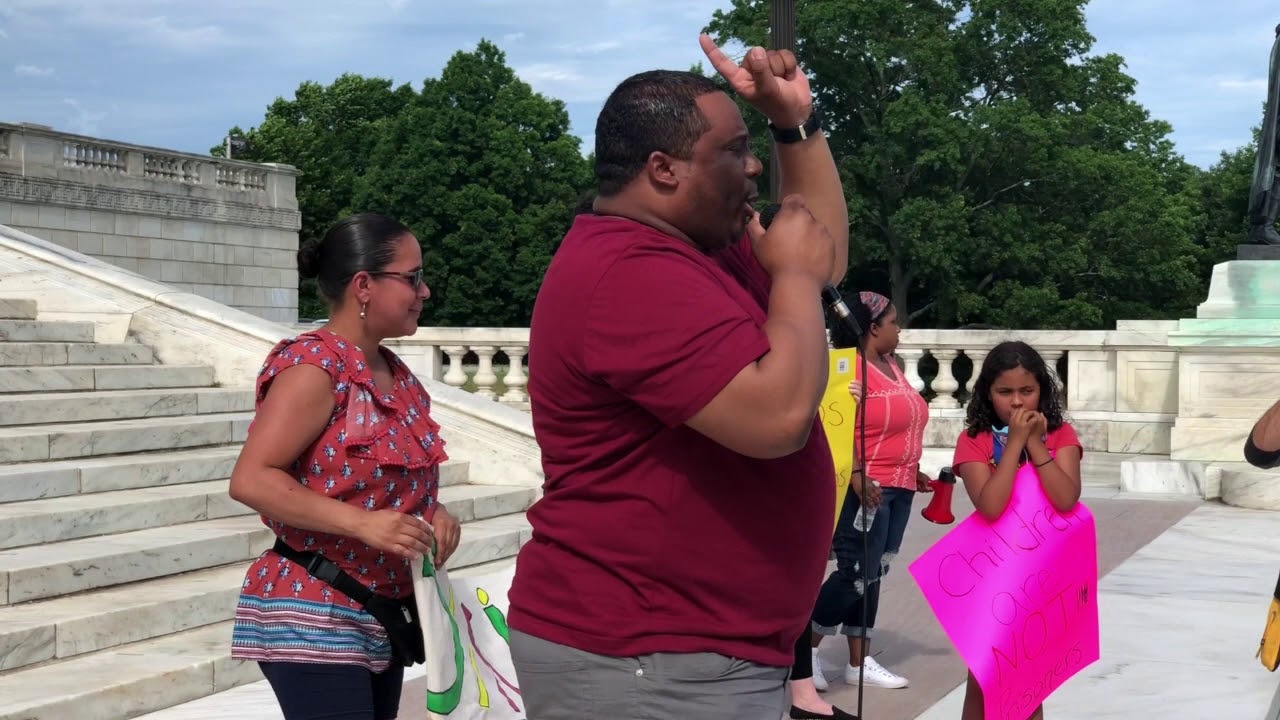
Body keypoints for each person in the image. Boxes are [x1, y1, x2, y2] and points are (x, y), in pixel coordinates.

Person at [506, 34, 850, 720]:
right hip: (646, 660)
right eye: (733, 150)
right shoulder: (629, 272)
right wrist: (794, 275)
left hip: (686, 654)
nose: (752, 166)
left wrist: (796, 125)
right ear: (663, 168)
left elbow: (822, 252)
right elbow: (777, 419)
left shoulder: (695, 248)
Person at [227, 212, 461, 720]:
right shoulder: (315, 369)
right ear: (364, 286)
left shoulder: (397, 377)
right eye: (412, 277)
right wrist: (364, 525)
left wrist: (433, 512)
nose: (424, 291)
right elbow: (252, 478)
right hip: (314, 612)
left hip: (382, 615)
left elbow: (381, 481)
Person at [789, 292, 931, 720]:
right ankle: (805, 651)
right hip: (866, 488)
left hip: (899, 486)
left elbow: (901, 423)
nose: (899, 328)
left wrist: (915, 470)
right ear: (872, 328)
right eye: (892, 321)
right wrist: (855, 474)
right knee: (854, 573)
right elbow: (832, 424)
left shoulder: (894, 367)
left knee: (875, 573)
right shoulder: (844, 370)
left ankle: (858, 663)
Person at [951, 340, 1083, 720]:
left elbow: (1066, 499)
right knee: (984, 675)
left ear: (1043, 389)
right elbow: (990, 505)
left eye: (1027, 391)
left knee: (1029, 680)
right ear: (987, 393)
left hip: (1042, 575)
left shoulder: (1062, 435)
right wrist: (1013, 446)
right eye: (1004, 392)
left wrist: (1038, 446)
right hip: (991, 575)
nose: (1017, 402)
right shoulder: (974, 440)